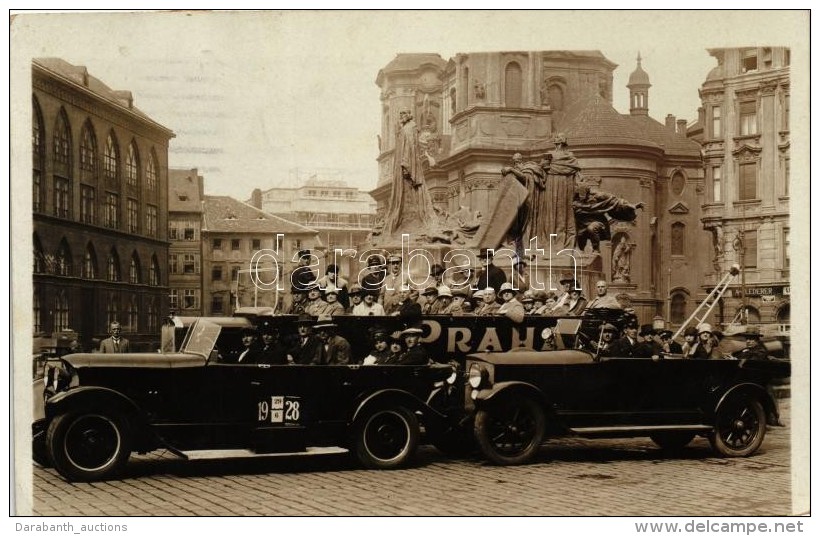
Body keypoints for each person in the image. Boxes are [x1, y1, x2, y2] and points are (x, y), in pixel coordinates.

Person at [383, 109, 438, 236]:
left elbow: (409, 147)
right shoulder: (406, 128)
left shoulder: (409, 128)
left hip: (406, 165)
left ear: (408, 116)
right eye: (400, 114)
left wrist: (405, 164)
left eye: (403, 114)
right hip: (404, 164)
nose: (400, 116)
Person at [574, 184, 645, 254]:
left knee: (591, 228)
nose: (581, 198)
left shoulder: (599, 196)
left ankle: (596, 250)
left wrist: (634, 205)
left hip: (598, 221)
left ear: (588, 192)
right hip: (582, 222)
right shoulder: (574, 199)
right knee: (580, 235)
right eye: (580, 195)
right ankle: (581, 253)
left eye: (583, 195)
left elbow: (617, 202)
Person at [501, 153, 547, 256]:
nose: (516, 163)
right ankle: (513, 242)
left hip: (525, 200)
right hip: (516, 201)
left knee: (522, 221)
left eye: (518, 161)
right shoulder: (517, 169)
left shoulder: (528, 169)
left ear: (521, 161)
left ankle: (520, 243)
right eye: (514, 162)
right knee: (512, 221)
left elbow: (525, 178)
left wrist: (512, 170)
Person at [540, 133, 580, 251]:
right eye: (556, 136)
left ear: (564, 140)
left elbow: (574, 169)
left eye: (559, 137)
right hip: (551, 182)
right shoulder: (549, 154)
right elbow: (543, 168)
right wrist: (545, 165)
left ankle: (564, 240)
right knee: (551, 210)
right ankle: (550, 240)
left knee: (564, 211)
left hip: (565, 184)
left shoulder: (569, 155)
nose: (557, 138)